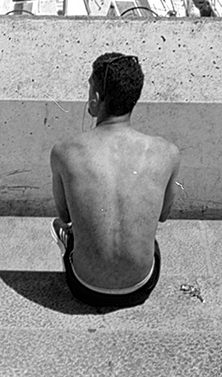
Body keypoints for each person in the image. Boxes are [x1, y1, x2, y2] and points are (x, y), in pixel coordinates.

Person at [49, 53, 181, 308]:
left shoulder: (64, 151)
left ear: (96, 98)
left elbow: (65, 215)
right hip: (140, 287)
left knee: (59, 226)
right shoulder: (167, 152)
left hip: (83, 287)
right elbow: (163, 216)